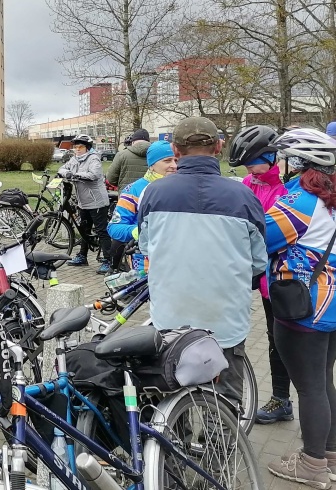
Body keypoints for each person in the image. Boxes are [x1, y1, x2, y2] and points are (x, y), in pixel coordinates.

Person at [137, 116, 266, 407]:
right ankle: (222, 448)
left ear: (176, 150)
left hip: (170, 318)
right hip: (226, 320)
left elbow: (146, 246)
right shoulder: (244, 196)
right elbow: (259, 261)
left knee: (169, 394)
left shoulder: (153, 193)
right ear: (219, 147)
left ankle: (172, 449)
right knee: (225, 404)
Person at [263, 129, 336, 488]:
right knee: (322, 381)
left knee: (308, 387)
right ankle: (330, 452)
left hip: (305, 305)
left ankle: (312, 464)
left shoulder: (300, 201)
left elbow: (262, 238)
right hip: (332, 304)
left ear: (299, 161)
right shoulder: (331, 197)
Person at [228, 125, 292, 425]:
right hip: (247, 272)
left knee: (276, 339)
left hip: (274, 278)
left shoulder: (285, 192)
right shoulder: (247, 183)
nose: (249, 169)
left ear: (271, 157)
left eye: (252, 162)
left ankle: (281, 398)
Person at [106, 140, 176, 272]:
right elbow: (114, 227)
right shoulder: (134, 190)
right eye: (167, 161)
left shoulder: (182, 187)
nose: (174, 165)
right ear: (151, 165)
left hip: (175, 262)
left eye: (176, 160)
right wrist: (139, 231)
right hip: (144, 265)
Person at [58, 134, 112, 274]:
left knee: (101, 231)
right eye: (75, 147)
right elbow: (62, 169)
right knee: (84, 230)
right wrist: (67, 173)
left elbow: (94, 175)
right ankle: (82, 256)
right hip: (83, 202)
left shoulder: (93, 159)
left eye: (80, 147)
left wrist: (75, 175)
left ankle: (108, 260)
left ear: (87, 148)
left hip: (97, 202)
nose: (77, 149)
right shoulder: (74, 159)